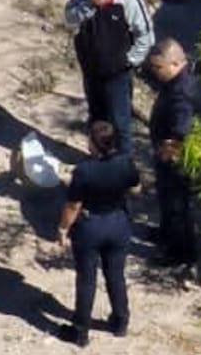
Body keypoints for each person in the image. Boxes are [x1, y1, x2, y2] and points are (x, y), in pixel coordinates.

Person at [56, 120, 141, 348]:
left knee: (86, 279)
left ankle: (80, 332)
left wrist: (63, 229)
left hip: (90, 226)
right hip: (118, 223)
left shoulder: (84, 170)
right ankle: (120, 322)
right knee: (116, 274)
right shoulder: (125, 162)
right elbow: (136, 187)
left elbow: (73, 206)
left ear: (93, 143)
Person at [65, 0, 154, 155]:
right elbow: (69, 16)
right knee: (96, 116)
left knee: (120, 121)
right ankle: (97, 159)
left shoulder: (131, 1)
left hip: (117, 74)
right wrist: (90, 5)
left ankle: (124, 166)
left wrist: (127, 62)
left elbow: (146, 37)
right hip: (91, 68)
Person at [146, 38, 201, 279]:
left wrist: (167, 150)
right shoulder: (182, 80)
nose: (154, 72)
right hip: (171, 157)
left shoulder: (182, 93)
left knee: (177, 207)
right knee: (167, 202)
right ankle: (166, 235)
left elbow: (181, 131)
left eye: (158, 67)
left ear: (174, 63)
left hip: (178, 161)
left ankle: (179, 253)